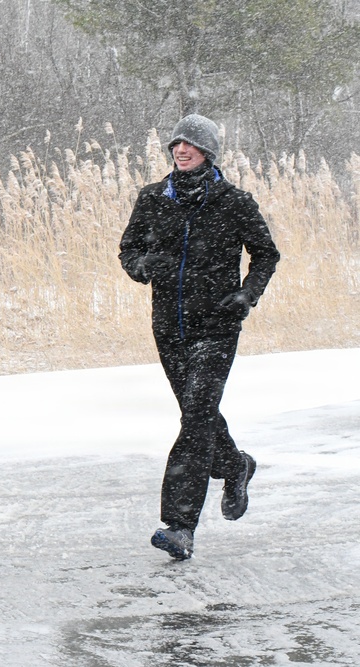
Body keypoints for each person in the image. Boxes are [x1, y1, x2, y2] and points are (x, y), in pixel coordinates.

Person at [119, 114, 280, 560]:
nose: (181, 150)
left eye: (190, 144)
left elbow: (266, 254)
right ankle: (235, 465)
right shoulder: (153, 198)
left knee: (196, 417)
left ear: (209, 151)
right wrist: (142, 267)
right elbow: (128, 249)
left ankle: (179, 525)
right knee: (197, 411)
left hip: (217, 323)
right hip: (168, 324)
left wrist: (247, 293)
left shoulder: (234, 201)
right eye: (176, 144)